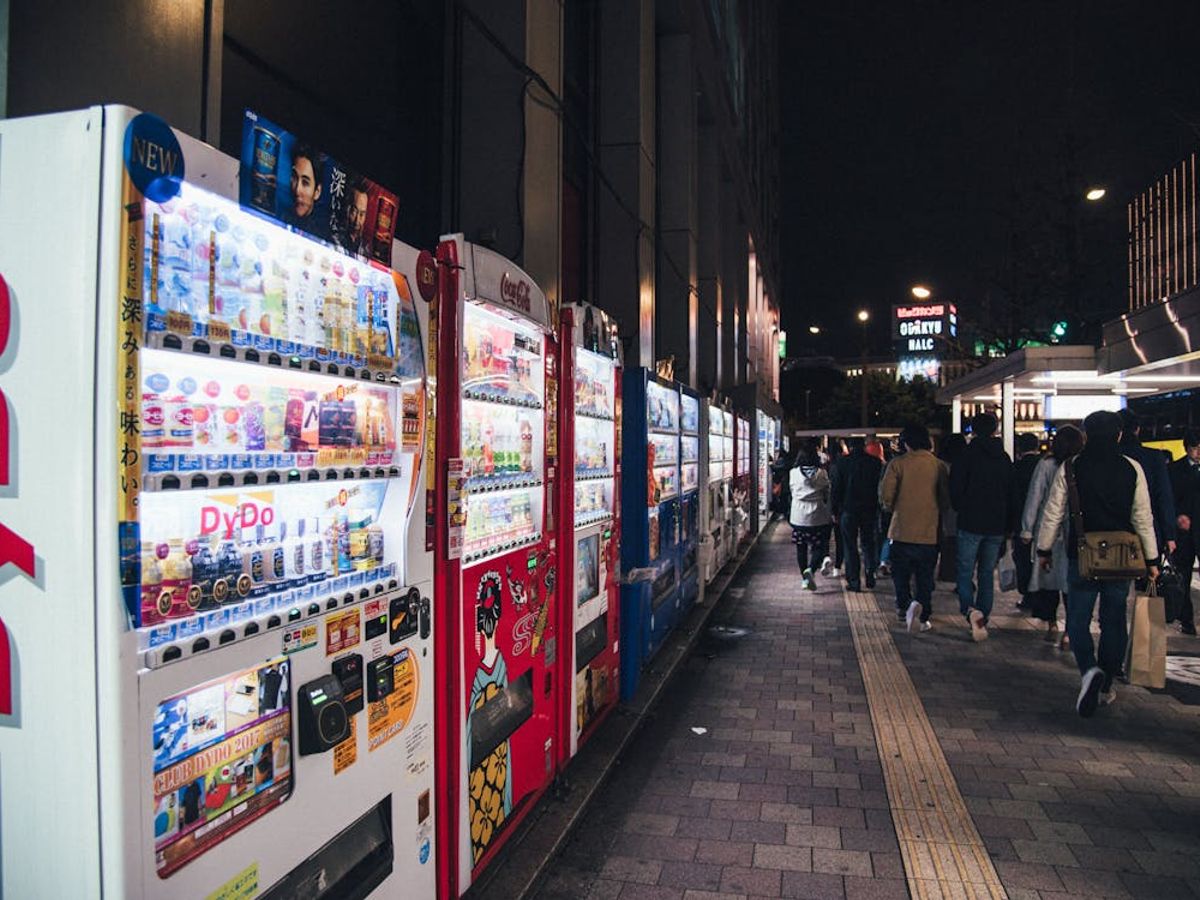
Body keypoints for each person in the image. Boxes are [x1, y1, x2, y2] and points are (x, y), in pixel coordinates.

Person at [1037, 410, 1160, 717]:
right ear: (1119, 435)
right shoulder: (1132, 468)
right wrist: (1152, 559)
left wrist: (1044, 549)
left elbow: (1054, 512)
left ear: (1087, 436)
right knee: (1114, 620)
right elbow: (1142, 518)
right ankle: (1105, 686)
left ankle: (1089, 670)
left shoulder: (1072, 467)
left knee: (1077, 619)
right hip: (1122, 556)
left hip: (1084, 553)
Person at [950, 412, 1014, 642]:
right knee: (987, 572)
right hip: (996, 523)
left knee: (965, 570)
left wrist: (961, 506)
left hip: (970, 520)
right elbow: (1011, 491)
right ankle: (983, 615)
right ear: (996, 429)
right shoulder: (1004, 457)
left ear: (973, 430)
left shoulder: (965, 455)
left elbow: (955, 490)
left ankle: (970, 610)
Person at [879, 424, 949, 631]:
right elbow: (945, 499)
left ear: (905, 442)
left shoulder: (897, 464)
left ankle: (904, 606)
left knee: (900, 574)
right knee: (925, 575)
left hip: (901, 530)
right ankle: (923, 612)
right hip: (929, 531)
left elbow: (886, 496)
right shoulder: (938, 465)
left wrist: (891, 508)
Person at [1019, 425, 1084, 646]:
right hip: (1074, 531)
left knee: (1049, 581)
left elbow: (1034, 496)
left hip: (1047, 530)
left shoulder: (1046, 465)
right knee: (1070, 582)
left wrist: (1027, 528)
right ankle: (1069, 630)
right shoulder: (1080, 465)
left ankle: (1052, 624)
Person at [1118, 409, 1177, 566]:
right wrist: (1169, 535)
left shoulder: (1110, 458)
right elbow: (1163, 497)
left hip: (1113, 535)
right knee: (1148, 581)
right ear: (1137, 429)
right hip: (1150, 531)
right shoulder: (1154, 457)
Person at [831, 436, 884, 591]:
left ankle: (854, 581)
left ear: (850, 446)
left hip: (848, 509)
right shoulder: (875, 463)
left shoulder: (842, 463)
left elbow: (836, 488)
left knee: (850, 545)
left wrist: (834, 509)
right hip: (870, 508)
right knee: (869, 543)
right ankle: (870, 572)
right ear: (864, 446)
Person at [790, 441, 833, 591]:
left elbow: (792, 491)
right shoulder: (822, 473)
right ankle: (811, 569)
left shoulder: (793, 473)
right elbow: (827, 493)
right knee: (819, 546)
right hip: (818, 516)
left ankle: (804, 578)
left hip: (798, 517)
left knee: (801, 548)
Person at [1168, 428, 1200, 635]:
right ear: (1187, 448)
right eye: (1195, 448)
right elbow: (1168, 499)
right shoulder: (1174, 470)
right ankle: (1186, 619)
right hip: (1185, 534)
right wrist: (1178, 516)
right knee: (1183, 577)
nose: (1198, 453)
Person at [1010, 432, 1044, 609]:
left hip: (1020, 520)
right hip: (1043, 521)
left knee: (1023, 560)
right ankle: (1039, 594)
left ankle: (1027, 595)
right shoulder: (1043, 465)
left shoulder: (1017, 467)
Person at [936, 434, 967, 584]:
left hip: (945, 509)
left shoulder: (940, 465)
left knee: (947, 540)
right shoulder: (965, 464)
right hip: (963, 509)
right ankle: (958, 575)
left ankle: (947, 571)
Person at [288, 143, 324, 229]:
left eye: (305, 183)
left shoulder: (322, 233)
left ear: (317, 192)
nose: (297, 190)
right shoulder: (283, 217)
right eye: (294, 178)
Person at [336, 176, 370, 256]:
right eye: (354, 212)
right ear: (347, 208)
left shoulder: (366, 249)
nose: (357, 220)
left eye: (362, 214)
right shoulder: (335, 239)